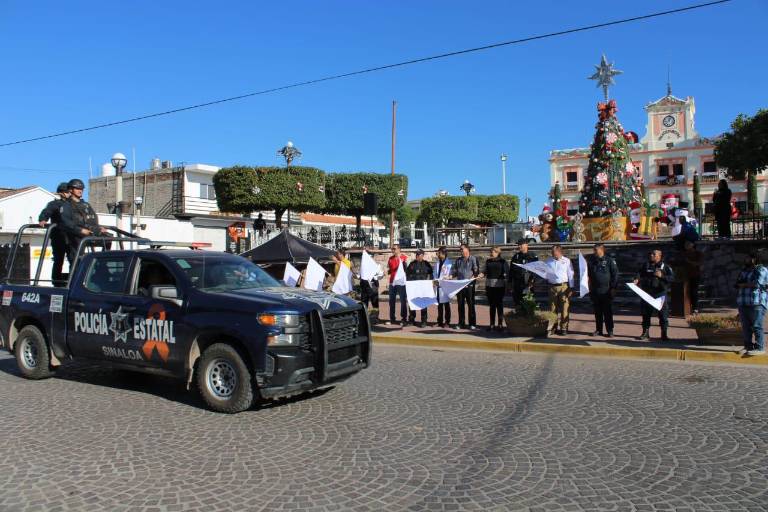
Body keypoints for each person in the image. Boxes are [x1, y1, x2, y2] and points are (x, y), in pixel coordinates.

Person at [60, 178, 108, 265]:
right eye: (77, 189)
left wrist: (98, 228)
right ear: (71, 190)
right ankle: (76, 274)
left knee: (108, 239)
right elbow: (66, 223)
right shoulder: (66, 205)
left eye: (81, 189)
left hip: (89, 232)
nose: (80, 191)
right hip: (75, 235)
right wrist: (80, 230)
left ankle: (102, 265)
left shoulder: (86, 205)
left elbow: (92, 219)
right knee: (77, 260)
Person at [634, 249, 674, 341]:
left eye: (653, 254)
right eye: (651, 254)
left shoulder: (665, 266)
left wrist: (662, 276)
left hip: (660, 294)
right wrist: (636, 278)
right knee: (646, 314)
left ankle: (664, 334)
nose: (651, 255)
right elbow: (639, 273)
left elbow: (672, 278)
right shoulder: (646, 265)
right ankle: (645, 333)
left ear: (659, 256)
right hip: (647, 294)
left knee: (663, 315)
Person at [735, 251, 768, 356]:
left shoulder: (762, 270)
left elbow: (757, 284)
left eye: (749, 258)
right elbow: (737, 283)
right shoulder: (744, 270)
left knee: (757, 325)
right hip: (743, 301)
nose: (746, 260)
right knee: (746, 326)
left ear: (755, 259)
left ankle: (760, 347)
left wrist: (743, 284)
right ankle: (748, 346)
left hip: (756, 302)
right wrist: (744, 284)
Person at [38, 182, 70, 286]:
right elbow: (47, 211)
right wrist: (43, 219)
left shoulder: (75, 205)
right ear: (61, 193)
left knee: (74, 259)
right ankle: (56, 282)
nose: (69, 193)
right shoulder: (55, 204)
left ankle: (73, 280)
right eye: (67, 192)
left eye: (70, 191)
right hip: (59, 236)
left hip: (72, 236)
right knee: (58, 259)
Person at [587, 243, 619, 337]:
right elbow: (588, 274)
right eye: (594, 250)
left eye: (596, 250)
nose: (594, 252)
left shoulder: (609, 260)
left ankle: (610, 330)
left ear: (602, 250)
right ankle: (598, 329)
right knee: (597, 312)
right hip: (595, 290)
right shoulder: (592, 261)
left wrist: (613, 288)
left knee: (607, 311)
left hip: (606, 290)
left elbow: (615, 275)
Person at [546, 245, 574, 335]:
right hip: (552, 287)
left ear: (560, 252)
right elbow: (545, 273)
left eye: (555, 253)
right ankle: (553, 327)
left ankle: (564, 327)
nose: (553, 255)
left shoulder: (567, 261)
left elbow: (571, 275)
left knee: (564, 308)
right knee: (552, 308)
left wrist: (571, 288)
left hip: (563, 287)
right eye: (552, 253)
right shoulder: (548, 261)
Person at [450, 244, 480, 330]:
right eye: (460, 249)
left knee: (471, 304)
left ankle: (472, 323)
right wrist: (450, 277)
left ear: (467, 249)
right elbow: (455, 272)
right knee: (460, 305)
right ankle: (461, 323)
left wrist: (470, 279)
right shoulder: (458, 260)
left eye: (462, 249)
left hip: (469, 285)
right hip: (460, 286)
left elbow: (476, 272)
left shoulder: (473, 259)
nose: (461, 251)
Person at [406, 249, 433, 327]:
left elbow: (431, 274)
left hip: (423, 288)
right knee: (412, 304)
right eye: (416, 255)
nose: (417, 256)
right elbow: (407, 274)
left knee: (423, 304)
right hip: (414, 288)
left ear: (422, 255)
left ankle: (424, 321)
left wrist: (430, 283)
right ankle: (411, 320)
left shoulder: (426, 264)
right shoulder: (412, 264)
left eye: (419, 255)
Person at [509, 239, 538, 309]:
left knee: (528, 303)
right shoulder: (516, 256)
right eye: (518, 245)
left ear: (526, 245)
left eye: (521, 244)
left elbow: (536, 270)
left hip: (528, 283)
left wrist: (532, 280)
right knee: (518, 303)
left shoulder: (533, 256)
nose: (519, 246)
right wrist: (509, 282)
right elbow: (511, 271)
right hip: (517, 284)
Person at [484, 246, 508, 331]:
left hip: (499, 285)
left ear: (498, 252)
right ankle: (492, 324)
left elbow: (506, 273)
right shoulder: (488, 261)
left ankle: (500, 324)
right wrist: (481, 274)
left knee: (499, 305)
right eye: (491, 251)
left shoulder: (503, 262)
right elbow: (485, 272)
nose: (491, 253)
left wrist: (506, 282)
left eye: (493, 252)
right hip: (489, 285)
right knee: (492, 305)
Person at [386, 244, 408, 326]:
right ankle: (392, 319)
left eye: (394, 249)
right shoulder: (390, 259)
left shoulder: (404, 258)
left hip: (401, 282)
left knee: (403, 300)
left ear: (399, 249)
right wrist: (386, 272)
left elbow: (406, 269)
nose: (393, 250)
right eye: (392, 249)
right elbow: (390, 270)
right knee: (391, 301)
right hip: (392, 282)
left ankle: (404, 319)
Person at [360, 247, 382, 324]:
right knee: (364, 303)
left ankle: (375, 318)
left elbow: (380, 275)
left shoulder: (376, 266)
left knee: (375, 303)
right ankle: (364, 318)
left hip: (373, 286)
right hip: (364, 286)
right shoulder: (363, 265)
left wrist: (375, 275)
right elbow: (361, 275)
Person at [433, 246, 452, 328]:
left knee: (446, 305)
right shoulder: (437, 263)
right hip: (438, 286)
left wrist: (442, 280)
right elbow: (434, 273)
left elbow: (448, 274)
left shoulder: (449, 263)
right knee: (439, 305)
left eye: (439, 253)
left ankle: (447, 322)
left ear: (443, 253)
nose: (438, 254)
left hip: (445, 286)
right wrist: (435, 280)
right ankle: (439, 321)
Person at [683, 241, 703, 314]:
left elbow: (698, 263)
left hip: (695, 275)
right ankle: (687, 308)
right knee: (686, 292)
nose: (686, 245)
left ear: (692, 245)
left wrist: (689, 261)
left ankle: (695, 308)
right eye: (685, 244)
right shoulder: (684, 253)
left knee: (694, 292)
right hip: (685, 276)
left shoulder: (698, 253)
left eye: (688, 244)